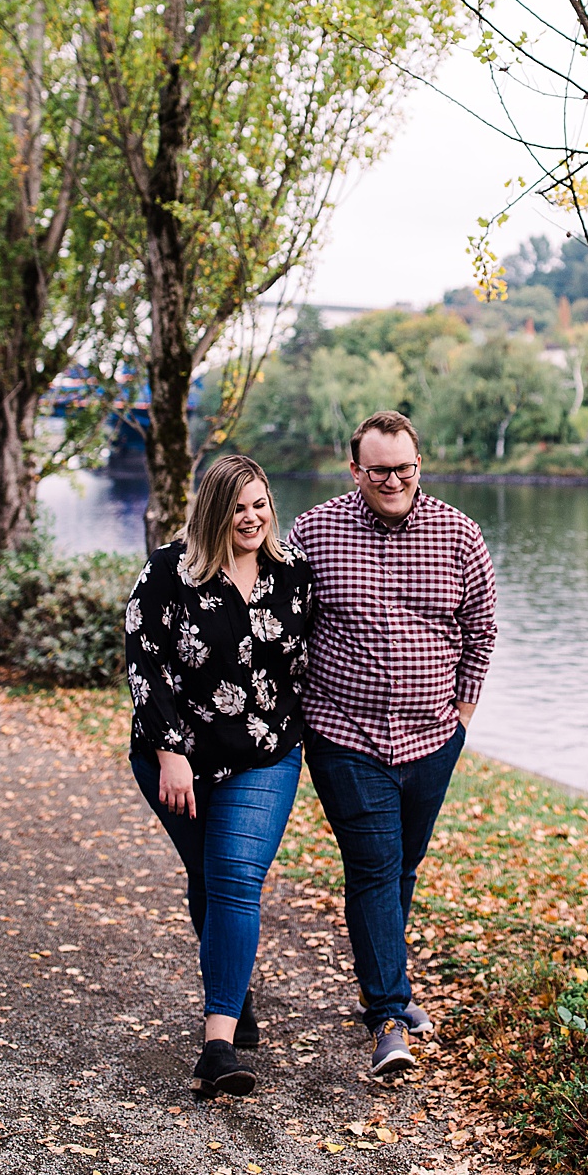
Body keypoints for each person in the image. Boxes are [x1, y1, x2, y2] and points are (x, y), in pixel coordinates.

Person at [288, 410, 497, 1078]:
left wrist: (461, 716)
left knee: (401, 867)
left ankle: (386, 981)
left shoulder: (460, 536)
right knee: (375, 867)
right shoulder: (314, 532)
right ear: (356, 470)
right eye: (379, 471)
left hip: (433, 739)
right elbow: (279, 615)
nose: (394, 480)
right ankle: (387, 1015)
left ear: (418, 465)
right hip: (344, 736)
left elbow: (481, 631)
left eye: (405, 469)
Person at [126, 453, 312, 1098]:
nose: (252, 517)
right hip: (176, 759)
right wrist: (169, 751)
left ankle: (217, 1046)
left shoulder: (292, 577)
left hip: (266, 753)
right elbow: (144, 665)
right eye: (238, 507)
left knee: (235, 880)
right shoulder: (167, 573)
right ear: (213, 510)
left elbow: (313, 664)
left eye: (260, 504)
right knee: (208, 875)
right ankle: (234, 990)